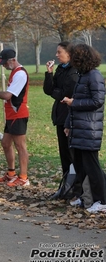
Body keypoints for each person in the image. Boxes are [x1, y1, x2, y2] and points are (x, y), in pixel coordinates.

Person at [61, 44, 106, 213]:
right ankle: (85, 196)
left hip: (89, 129)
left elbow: (97, 101)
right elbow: (76, 101)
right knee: (80, 165)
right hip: (78, 128)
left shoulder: (94, 76)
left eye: (73, 57)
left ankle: (102, 200)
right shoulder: (82, 75)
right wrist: (68, 124)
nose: (70, 60)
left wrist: (74, 103)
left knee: (92, 166)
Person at [0, 48, 30, 187]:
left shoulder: (20, 74)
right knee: (5, 143)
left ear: (13, 60)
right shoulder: (14, 73)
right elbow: (8, 93)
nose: (3, 65)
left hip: (18, 114)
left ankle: (23, 178)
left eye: (5, 63)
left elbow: (8, 96)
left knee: (20, 146)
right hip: (11, 114)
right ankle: (11, 173)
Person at [43, 42, 78, 179]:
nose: (56, 55)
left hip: (69, 116)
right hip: (59, 116)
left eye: (59, 52)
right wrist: (49, 73)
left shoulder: (74, 72)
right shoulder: (60, 69)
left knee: (71, 154)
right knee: (63, 153)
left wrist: (56, 92)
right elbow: (48, 90)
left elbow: (66, 93)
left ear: (68, 54)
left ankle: (75, 187)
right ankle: (66, 183)